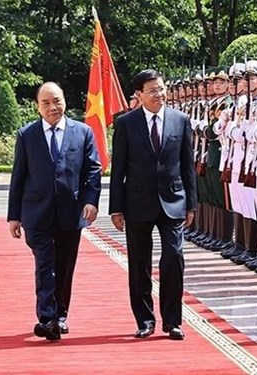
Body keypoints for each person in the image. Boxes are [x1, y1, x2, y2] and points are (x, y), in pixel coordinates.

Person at [7, 81, 102, 341]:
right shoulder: (27, 135)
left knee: (64, 267)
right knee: (44, 264)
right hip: (36, 213)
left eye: (57, 101)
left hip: (71, 213)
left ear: (64, 101)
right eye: (46, 103)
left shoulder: (82, 132)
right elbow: (19, 176)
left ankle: (60, 316)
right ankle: (47, 318)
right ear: (37, 107)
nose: (52, 107)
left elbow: (93, 170)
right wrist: (14, 216)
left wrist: (91, 201)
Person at [109, 69, 197, 340]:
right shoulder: (126, 124)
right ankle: (145, 320)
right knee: (139, 263)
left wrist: (191, 205)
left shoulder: (180, 120)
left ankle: (173, 321)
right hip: (137, 201)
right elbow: (118, 168)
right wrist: (116, 207)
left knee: (174, 257)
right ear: (139, 94)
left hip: (173, 200)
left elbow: (187, 165)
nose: (158, 95)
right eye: (152, 91)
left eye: (161, 89)